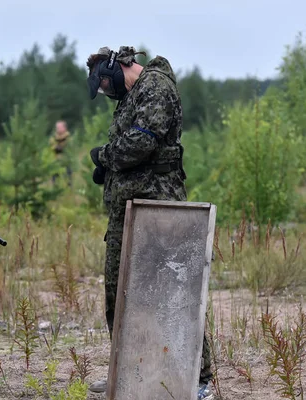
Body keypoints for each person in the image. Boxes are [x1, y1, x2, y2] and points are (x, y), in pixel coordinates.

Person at [85, 46, 214, 399]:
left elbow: (141, 142)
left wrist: (107, 157)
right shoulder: (132, 95)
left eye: (106, 86)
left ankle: (198, 379)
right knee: (119, 292)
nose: (107, 93)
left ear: (118, 70)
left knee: (173, 292)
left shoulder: (155, 86)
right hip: (128, 207)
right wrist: (110, 162)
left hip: (157, 205)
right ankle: (127, 371)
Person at [50, 119, 72, 185]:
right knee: (55, 177)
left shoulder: (68, 137)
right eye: (57, 127)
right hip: (56, 160)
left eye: (59, 127)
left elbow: (67, 147)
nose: (58, 129)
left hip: (66, 160)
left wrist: (59, 147)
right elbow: (52, 147)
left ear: (64, 128)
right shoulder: (54, 137)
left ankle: (69, 190)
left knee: (68, 177)